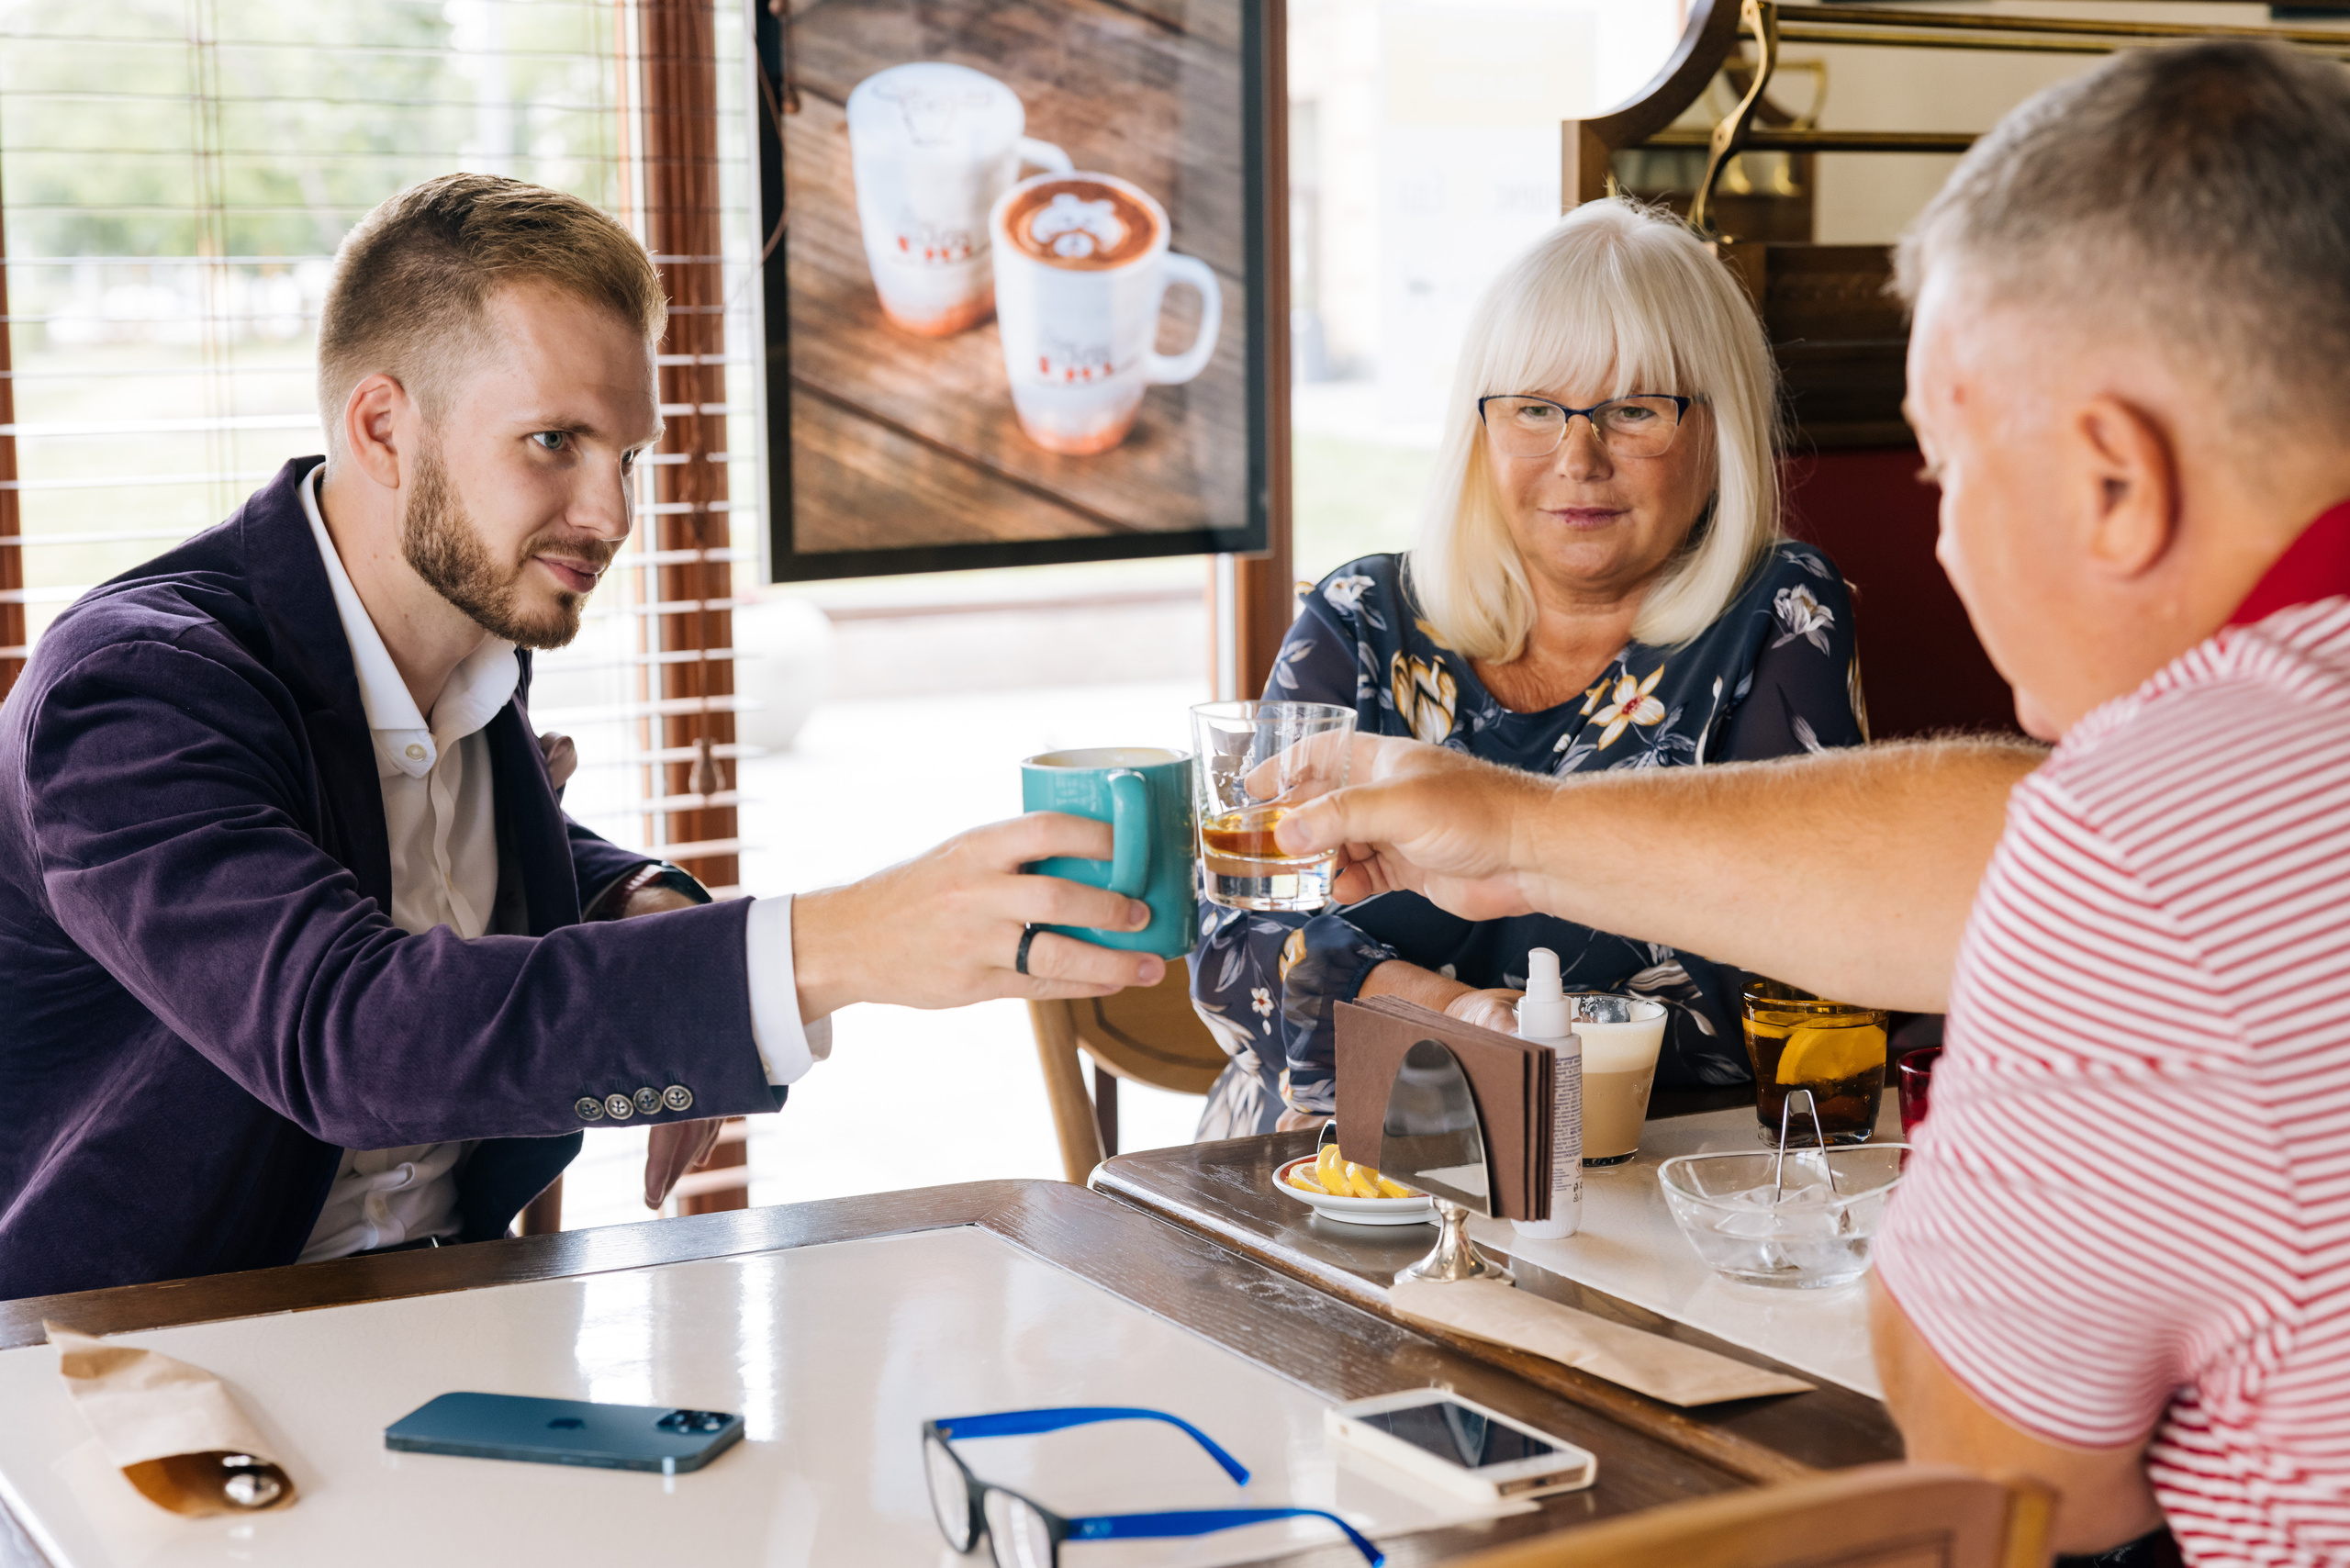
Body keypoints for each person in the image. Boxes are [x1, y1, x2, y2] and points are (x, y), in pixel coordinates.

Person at [1270, 40, 2350, 1566]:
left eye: (1948, 470)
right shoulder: (2201, 808)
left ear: (2113, 479)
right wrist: (1517, 827)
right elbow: (2023, 841)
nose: (1951, 536)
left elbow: (2003, 1471)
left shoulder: (2150, 854)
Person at [0, 174, 1164, 1301]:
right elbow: (351, 1032)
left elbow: (402, 845)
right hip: (126, 1373)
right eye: (553, 441)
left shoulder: (455, 647)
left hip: (442, 1322)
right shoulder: (133, 693)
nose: (611, 515)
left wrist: (634, 895)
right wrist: (839, 943)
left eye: (627, 456)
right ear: (382, 427)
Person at [1190, 199, 1865, 1137]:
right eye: (1536, 410)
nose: (1577, 458)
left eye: (1634, 410)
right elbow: (1236, 944)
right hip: (1325, 1161)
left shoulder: (1777, 615)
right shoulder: (1361, 615)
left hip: (1634, 1170)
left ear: (1717, 433)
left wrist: (1424, 1012)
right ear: (1481, 431)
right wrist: (1461, 1017)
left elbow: (1787, 975)